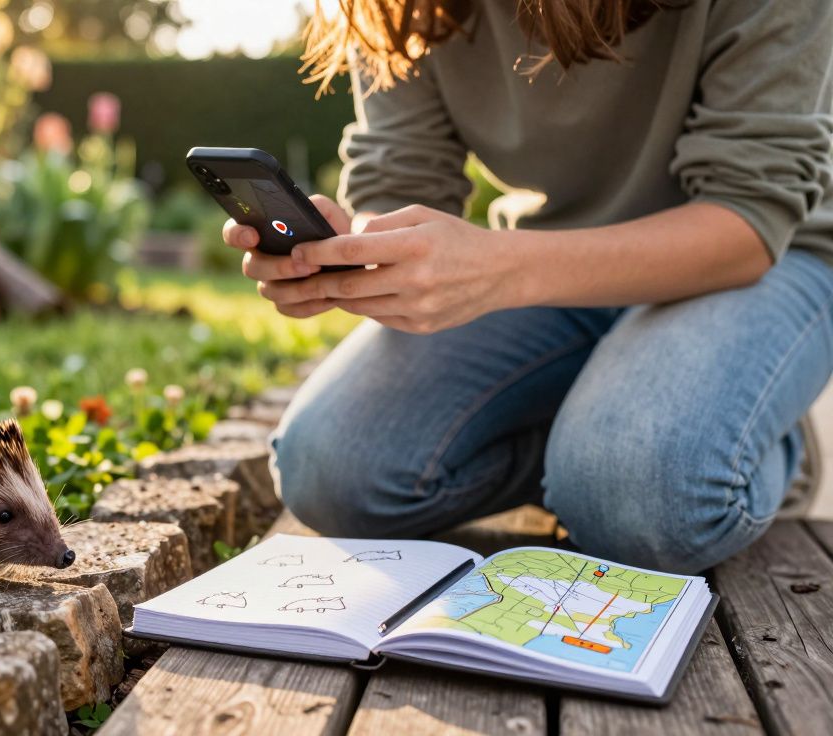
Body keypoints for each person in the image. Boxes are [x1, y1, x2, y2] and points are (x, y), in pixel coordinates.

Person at [223, 0, 833, 572]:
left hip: (762, 259)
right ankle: (602, 434)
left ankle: (749, 439)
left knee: (646, 501)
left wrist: (503, 268)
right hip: (550, 260)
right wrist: (359, 250)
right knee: (332, 472)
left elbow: (748, 219)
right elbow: (402, 174)